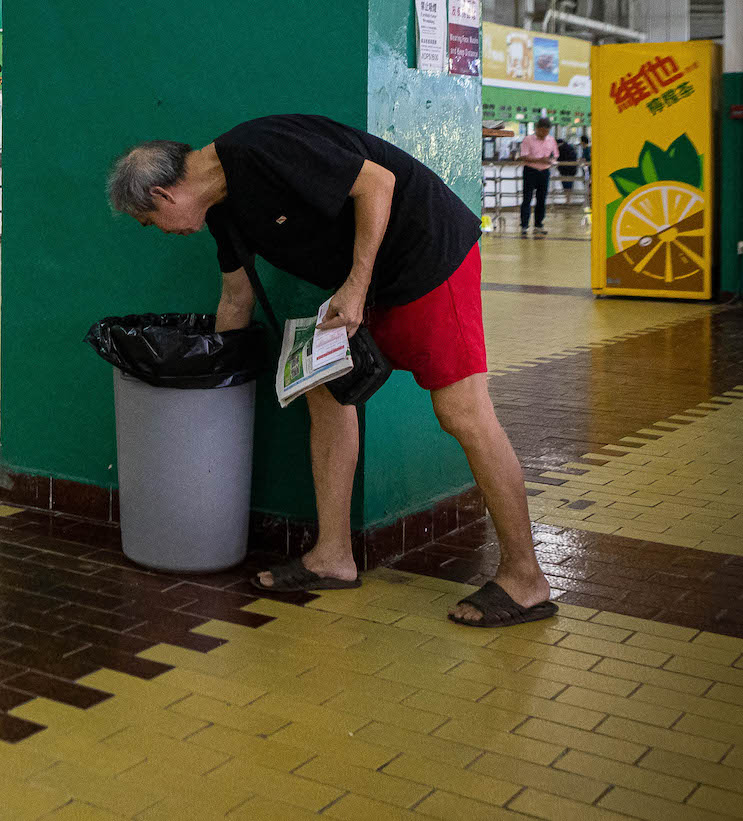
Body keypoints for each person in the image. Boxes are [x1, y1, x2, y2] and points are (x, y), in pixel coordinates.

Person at [108, 117, 555, 628]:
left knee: (463, 414)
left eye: (149, 222)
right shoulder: (222, 208)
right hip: (371, 283)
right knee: (323, 390)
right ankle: (333, 556)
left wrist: (356, 288)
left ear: (164, 196)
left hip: (427, 256)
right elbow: (236, 297)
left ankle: (526, 577)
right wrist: (214, 376)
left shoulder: (259, 149)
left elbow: (378, 182)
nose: (159, 232)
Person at [518, 119, 558, 237]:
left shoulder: (551, 140)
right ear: (537, 128)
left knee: (542, 199)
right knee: (527, 198)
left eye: (546, 132)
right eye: (542, 131)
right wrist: (539, 160)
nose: (544, 134)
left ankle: (538, 225)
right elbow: (524, 156)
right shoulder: (528, 140)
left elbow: (555, 155)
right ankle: (524, 225)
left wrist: (550, 161)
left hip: (544, 171)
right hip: (530, 171)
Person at [555, 133, 580, 202]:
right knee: (569, 184)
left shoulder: (561, 149)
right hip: (572, 170)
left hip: (564, 170)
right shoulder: (570, 147)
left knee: (565, 184)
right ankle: (568, 199)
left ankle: (567, 199)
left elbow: (558, 159)